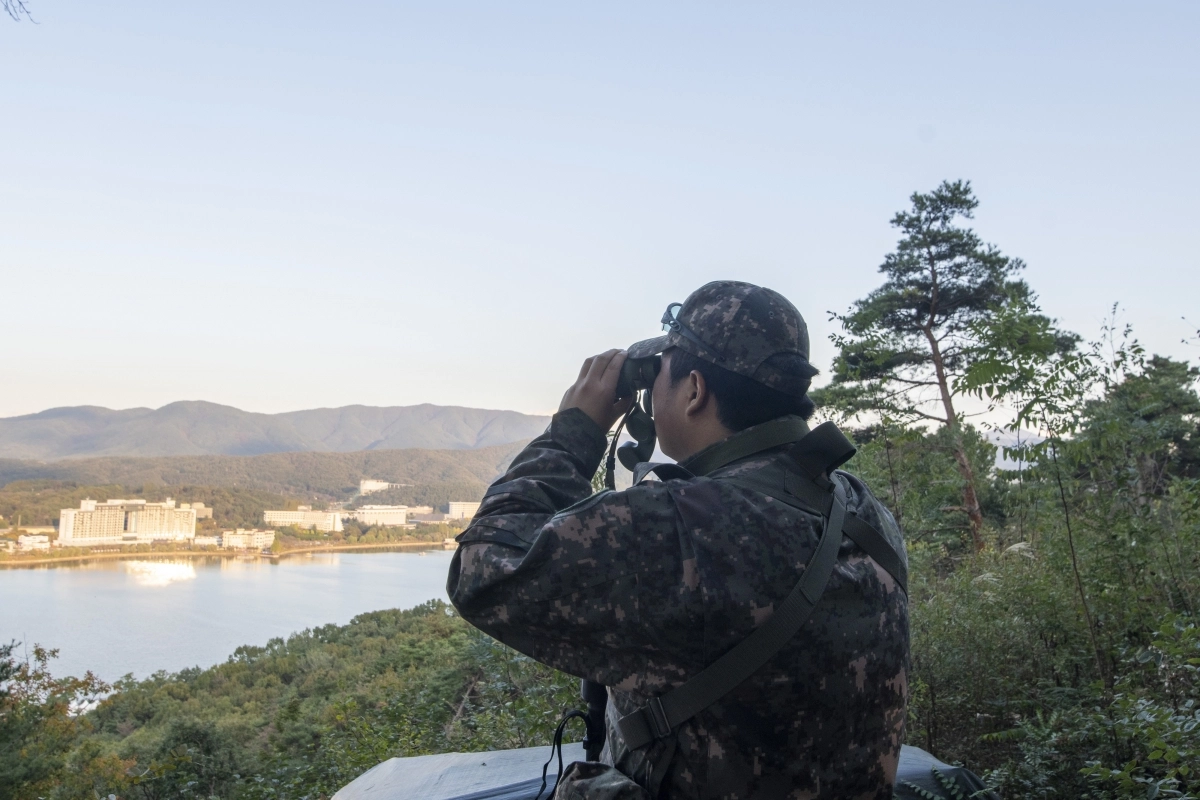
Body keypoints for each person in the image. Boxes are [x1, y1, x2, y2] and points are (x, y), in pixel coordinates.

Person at [447, 280, 909, 799]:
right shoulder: (860, 509)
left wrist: (572, 433)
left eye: (657, 376)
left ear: (694, 390)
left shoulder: (682, 524)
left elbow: (482, 569)